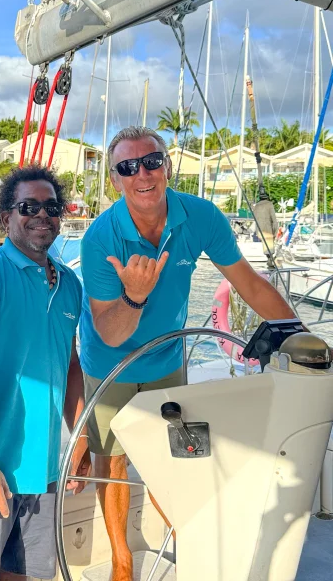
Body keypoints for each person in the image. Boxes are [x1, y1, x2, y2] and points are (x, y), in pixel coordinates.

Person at [79, 126, 295, 581]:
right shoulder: (101, 238)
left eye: (152, 161)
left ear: (168, 166)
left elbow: (250, 283)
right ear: (116, 179)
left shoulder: (200, 217)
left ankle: (187, 535)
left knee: (174, 453)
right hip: (109, 362)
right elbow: (110, 332)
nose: (142, 173)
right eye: (127, 167)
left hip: (165, 359)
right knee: (113, 459)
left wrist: (298, 335)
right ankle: (121, 559)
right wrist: (136, 296)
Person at [0, 166, 91, 581]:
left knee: (31, 572)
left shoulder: (70, 284)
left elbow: (71, 365)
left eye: (51, 207)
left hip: (46, 469)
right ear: (6, 218)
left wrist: (81, 439)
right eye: (28, 206)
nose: (42, 215)